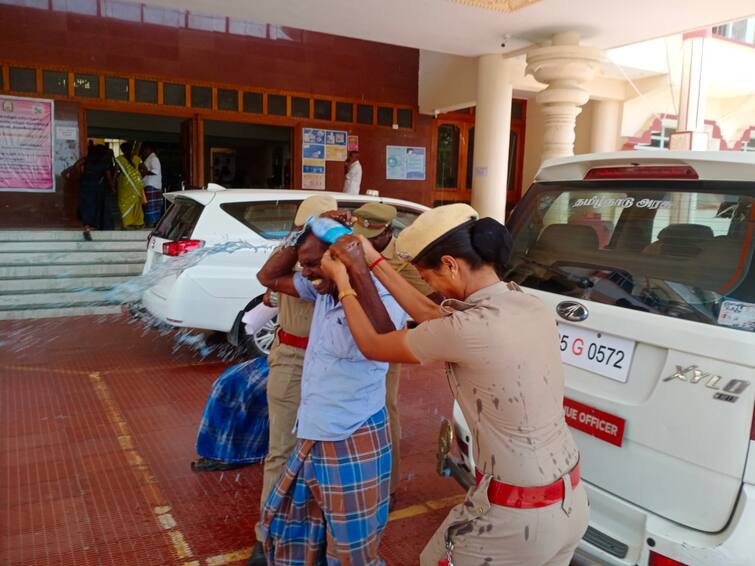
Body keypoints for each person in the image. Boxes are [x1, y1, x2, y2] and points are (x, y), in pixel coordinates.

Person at [321, 203, 589, 566]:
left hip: (516, 516)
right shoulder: (525, 304)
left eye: (427, 277)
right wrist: (371, 259)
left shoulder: (468, 330)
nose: (429, 287)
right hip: (570, 503)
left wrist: (343, 283)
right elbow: (432, 315)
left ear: (450, 264)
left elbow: (372, 345)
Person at [254, 213, 406, 565]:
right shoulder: (321, 290)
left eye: (311, 264)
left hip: (351, 434)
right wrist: (299, 235)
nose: (304, 272)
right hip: (312, 431)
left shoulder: (382, 292)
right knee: (296, 533)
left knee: (353, 550)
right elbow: (269, 277)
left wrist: (353, 270)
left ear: (338, 259)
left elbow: (383, 337)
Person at [249, 195, 338, 566]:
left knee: (328, 458)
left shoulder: (339, 258)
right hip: (291, 361)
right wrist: (302, 236)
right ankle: (265, 537)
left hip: (333, 369)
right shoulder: (293, 255)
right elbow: (267, 279)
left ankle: (321, 536)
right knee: (282, 452)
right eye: (304, 231)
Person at [351, 202, 442, 503]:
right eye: (359, 229)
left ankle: (386, 487)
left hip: (387, 345)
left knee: (384, 410)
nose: (363, 239)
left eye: (371, 235)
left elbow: (435, 299)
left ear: (388, 232)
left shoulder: (405, 259)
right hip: (349, 343)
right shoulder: (350, 246)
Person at [67, 144, 115, 238]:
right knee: (96, 206)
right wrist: (112, 187)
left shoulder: (86, 159)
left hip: (85, 185)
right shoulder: (105, 162)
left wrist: (82, 174)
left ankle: (87, 225)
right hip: (97, 187)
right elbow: (109, 178)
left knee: (86, 205)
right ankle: (93, 226)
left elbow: (76, 166)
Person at [114, 142, 146, 229]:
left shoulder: (119, 159)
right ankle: (138, 223)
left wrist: (113, 184)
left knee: (123, 204)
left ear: (122, 150)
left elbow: (115, 173)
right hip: (136, 184)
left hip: (124, 185)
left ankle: (125, 224)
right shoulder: (137, 158)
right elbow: (145, 169)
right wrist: (139, 176)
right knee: (136, 204)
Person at [140, 142, 163, 227]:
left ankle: (151, 223)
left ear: (149, 149)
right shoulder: (149, 158)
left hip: (152, 185)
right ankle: (151, 223)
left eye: (145, 149)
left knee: (151, 206)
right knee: (150, 206)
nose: (144, 151)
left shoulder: (153, 158)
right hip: (149, 184)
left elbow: (156, 171)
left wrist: (145, 172)